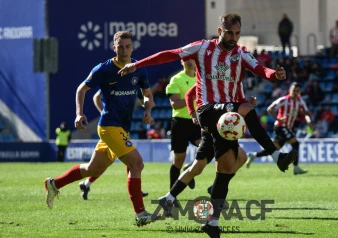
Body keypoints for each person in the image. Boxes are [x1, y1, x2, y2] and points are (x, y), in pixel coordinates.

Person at [117, 13, 297, 237]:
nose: (234, 37)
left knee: (227, 167)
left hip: (227, 117)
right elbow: (169, 55)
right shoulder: (201, 48)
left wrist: (275, 74)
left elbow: (261, 70)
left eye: (237, 33)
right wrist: (137, 65)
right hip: (208, 110)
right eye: (229, 33)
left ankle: (211, 221)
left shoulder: (241, 53)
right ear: (220, 31)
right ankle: (275, 155)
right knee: (245, 110)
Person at [43, 31, 160, 227]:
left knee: (93, 169)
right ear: (113, 47)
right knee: (136, 163)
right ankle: (141, 214)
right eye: (120, 46)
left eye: (127, 46)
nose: (124, 50)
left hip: (122, 129)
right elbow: (82, 89)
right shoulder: (104, 69)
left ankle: (54, 184)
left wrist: (147, 109)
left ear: (133, 47)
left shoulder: (139, 68)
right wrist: (79, 113)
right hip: (108, 126)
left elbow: (148, 95)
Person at [157, 85, 257, 218]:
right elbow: (188, 94)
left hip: (223, 128)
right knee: (199, 168)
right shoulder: (208, 77)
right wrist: (193, 114)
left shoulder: (232, 79)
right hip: (211, 128)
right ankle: (214, 189)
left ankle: (169, 198)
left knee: (200, 167)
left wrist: (247, 103)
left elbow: (235, 101)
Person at [78, 90, 149, 200]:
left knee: (105, 164)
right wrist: (103, 112)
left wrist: (149, 104)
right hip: (112, 128)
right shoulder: (115, 79)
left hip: (122, 128)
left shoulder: (135, 81)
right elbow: (96, 96)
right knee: (132, 161)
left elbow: (143, 99)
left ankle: (85, 184)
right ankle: (137, 192)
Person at [246, 82, 311, 175]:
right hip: (280, 127)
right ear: (290, 90)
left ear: (300, 92)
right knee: (296, 144)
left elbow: (306, 112)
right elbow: (269, 109)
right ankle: (296, 168)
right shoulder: (284, 100)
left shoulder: (300, 101)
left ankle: (253, 155)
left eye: (297, 91)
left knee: (274, 149)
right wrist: (278, 118)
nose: (295, 92)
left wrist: (308, 121)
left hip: (287, 128)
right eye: (293, 90)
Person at [165, 59, 200, 191]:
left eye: (192, 59)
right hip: (180, 123)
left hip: (197, 122)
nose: (190, 62)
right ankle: (172, 193)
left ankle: (190, 168)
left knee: (208, 148)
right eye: (186, 59)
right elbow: (175, 104)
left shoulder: (201, 78)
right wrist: (192, 97)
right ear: (182, 62)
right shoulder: (176, 79)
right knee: (178, 160)